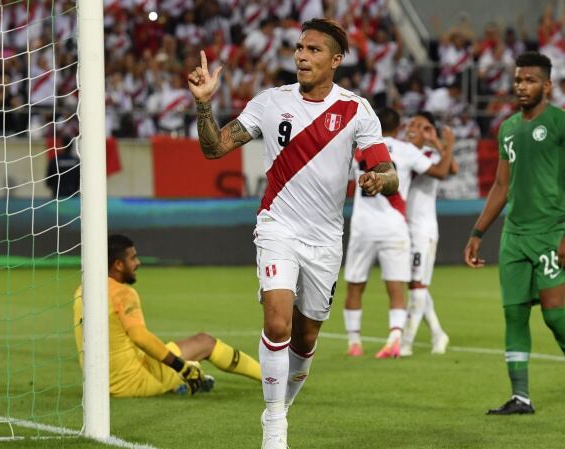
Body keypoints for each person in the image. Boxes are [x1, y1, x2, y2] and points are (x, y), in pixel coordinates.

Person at [188, 18, 398, 449]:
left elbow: (386, 171)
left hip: (324, 240)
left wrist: (379, 182)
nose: (302, 56)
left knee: (305, 339)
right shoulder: (271, 102)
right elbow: (214, 148)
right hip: (277, 227)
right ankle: (274, 427)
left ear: (336, 60)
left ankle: (281, 406)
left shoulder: (356, 110)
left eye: (314, 50)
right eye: (299, 48)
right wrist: (204, 104)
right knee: (277, 320)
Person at [464, 51, 565, 415]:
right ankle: (520, 396)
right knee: (514, 314)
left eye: (530, 80)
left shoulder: (559, 123)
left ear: (548, 86)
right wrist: (478, 232)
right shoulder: (507, 128)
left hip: (552, 233)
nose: (522, 86)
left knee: (556, 316)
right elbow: (500, 186)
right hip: (514, 238)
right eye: (519, 80)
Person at [73, 234, 261, 398]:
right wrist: (181, 366)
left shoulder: (82, 290)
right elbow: (140, 337)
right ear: (119, 265)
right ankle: (269, 378)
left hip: (97, 384)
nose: (138, 263)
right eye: (133, 258)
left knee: (178, 354)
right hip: (132, 382)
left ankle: (183, 381)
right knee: (205, 343)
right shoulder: (122, 293)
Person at [343, 107, 454, 359]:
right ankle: (397, 338)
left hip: (362, 225)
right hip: (395, 226)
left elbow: (345, 178)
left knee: (354, 285)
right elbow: (441, 172)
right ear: (398, 126)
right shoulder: (406, 151)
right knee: (398, 288)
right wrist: (446, 145)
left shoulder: (360, 151)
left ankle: (354, 343)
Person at [399, 111, 459, 357]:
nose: (414, 128)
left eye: (422, 127)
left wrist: (439, 143)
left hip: (423, 230)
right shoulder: (402, 152)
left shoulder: (430, 156)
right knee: (416, 285)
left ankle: (406, 343)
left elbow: (451, 169)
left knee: (417, 286)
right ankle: (437, 333)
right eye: (412, 124)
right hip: (405, 227)